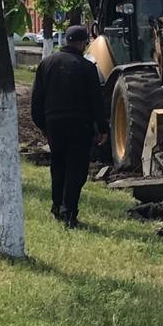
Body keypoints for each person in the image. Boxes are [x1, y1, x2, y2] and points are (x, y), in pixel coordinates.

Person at [31, 25, 108, 227]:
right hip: (79, 125)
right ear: (83, 43)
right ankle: (69, 212)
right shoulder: (87, 68)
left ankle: (57, 207)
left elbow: (37, 100)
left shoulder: (46, 64)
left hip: (54, 124)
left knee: (58, 166)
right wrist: (102, 128)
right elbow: (96, 102)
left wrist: (43, 125)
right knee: (76, 168)